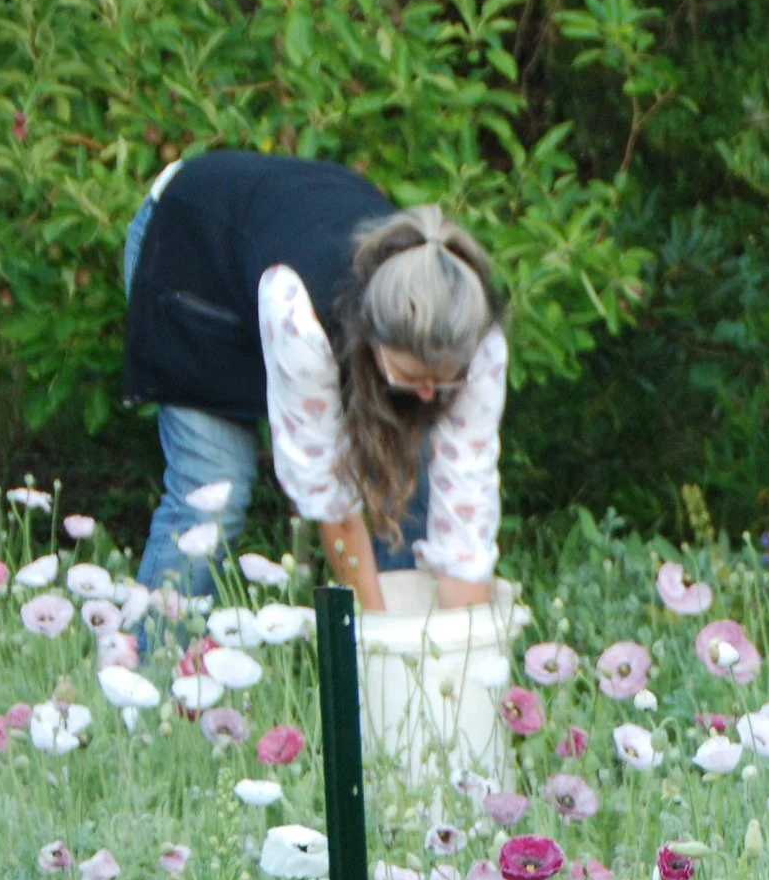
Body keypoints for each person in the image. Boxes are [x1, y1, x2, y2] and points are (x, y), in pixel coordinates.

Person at [120, 149, 508, 612]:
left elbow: (466, 498)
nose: (427, 395)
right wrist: (375, 630)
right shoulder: (304, 315)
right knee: (212, 492)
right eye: (410, 377)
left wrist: (463, 637)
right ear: (370, 339)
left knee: (411, 483)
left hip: (283, 231)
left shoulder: (477, 337)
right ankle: (153, 653)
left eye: (443, 382)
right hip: (195, 251)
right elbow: (329, 497)